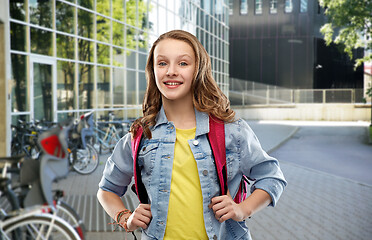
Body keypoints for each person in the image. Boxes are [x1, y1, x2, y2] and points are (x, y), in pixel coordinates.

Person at [97, 30, 287, 240]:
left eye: (183, 63)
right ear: (153, 70)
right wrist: (126, 218)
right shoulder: (141, 136)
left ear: (198, 69)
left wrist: (243, 209)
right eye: (162, 63)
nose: (171, 71)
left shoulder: (231, 130)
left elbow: (272, 177)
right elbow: (106, 190)